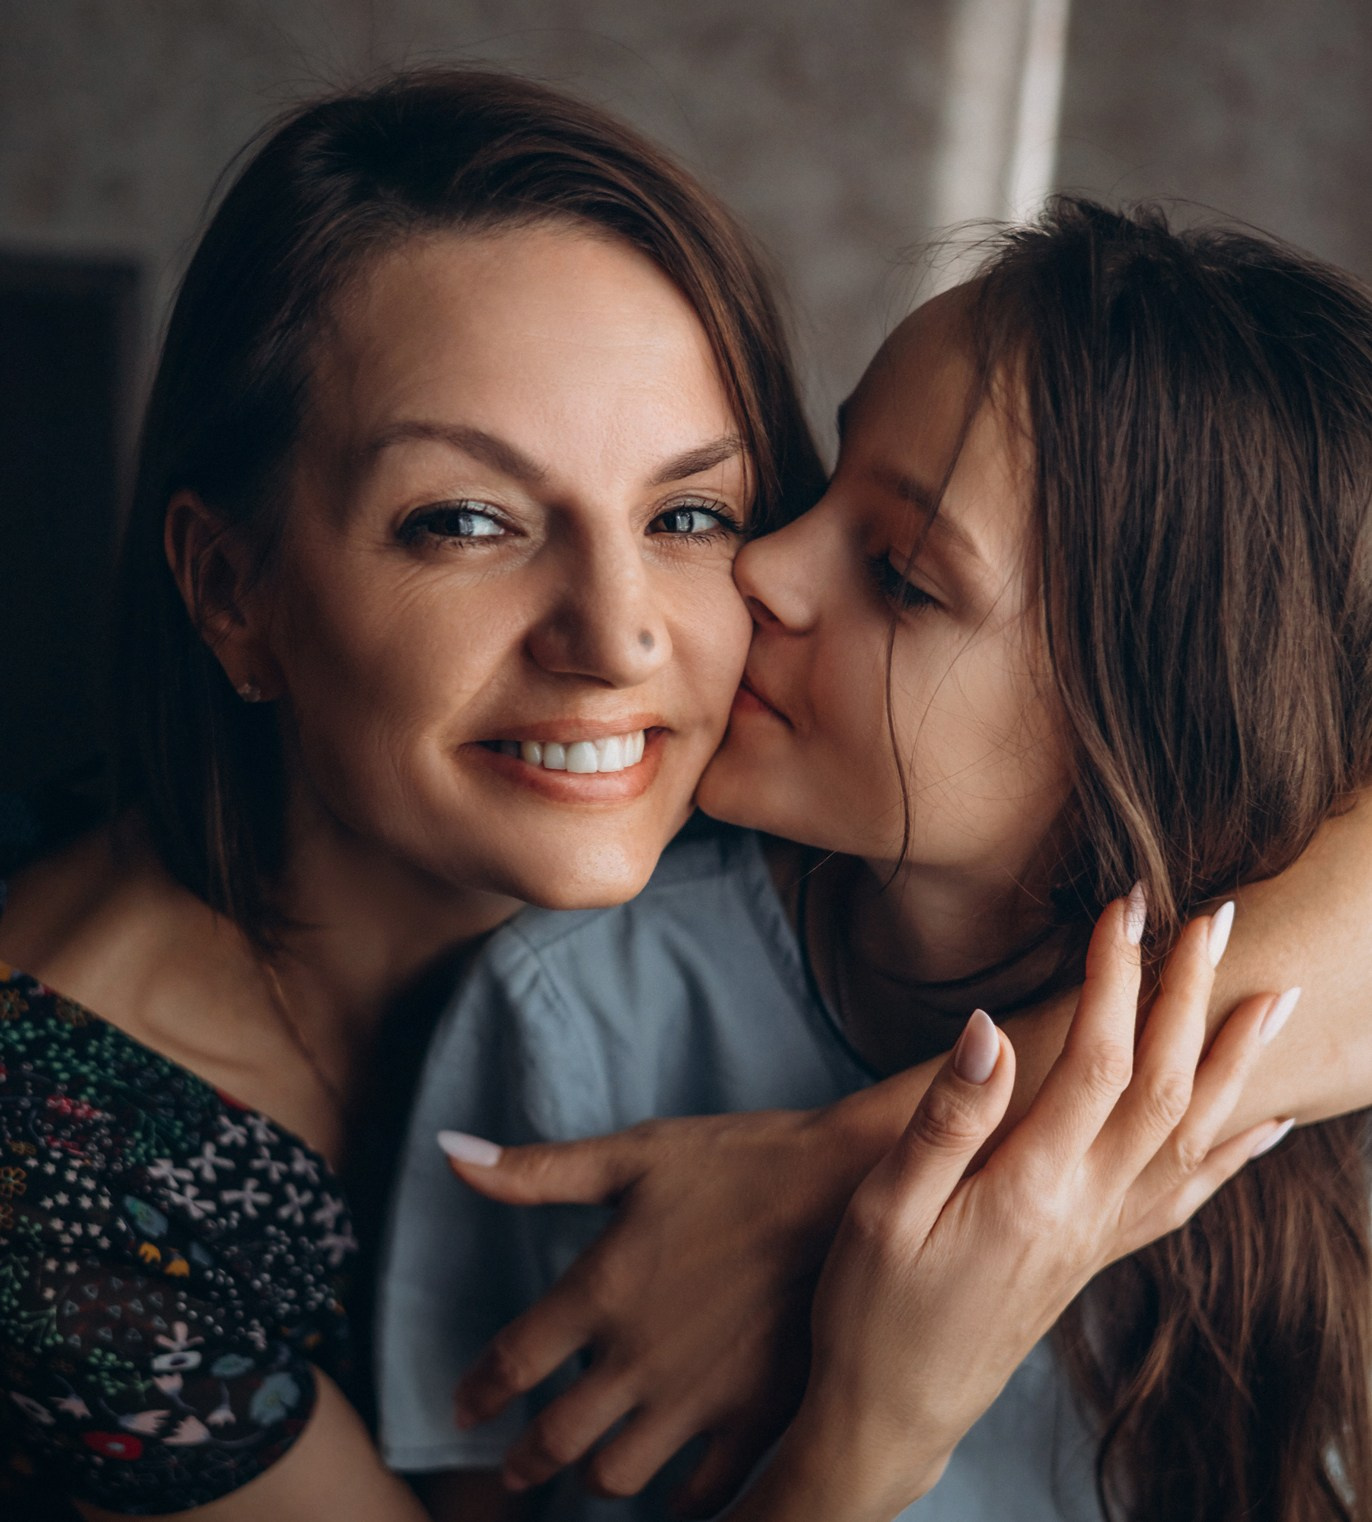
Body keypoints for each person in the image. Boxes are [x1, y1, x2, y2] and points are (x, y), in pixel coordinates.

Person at [381, 199, 1372, 1522]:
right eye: (822, 485)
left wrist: (829, 1187)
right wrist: (865, 1431)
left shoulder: (1312, 1125)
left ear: (1151, 719)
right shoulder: (572, 1014)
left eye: (900, 571)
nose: (766, 567)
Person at [0, 67, 825, 1521]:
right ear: (231, 589)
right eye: (469, 521)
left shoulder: (775, 757)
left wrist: (834, 1170)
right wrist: (893, 1395)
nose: (621, 636)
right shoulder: (56, 1194)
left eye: (686, 513)